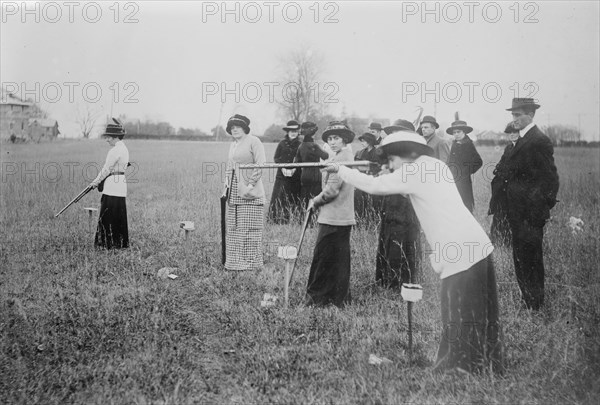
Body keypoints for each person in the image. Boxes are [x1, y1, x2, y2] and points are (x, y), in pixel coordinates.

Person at [325, 121, 503, 374]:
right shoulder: (435, 166)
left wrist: (341, 169)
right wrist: (389, 174)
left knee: (457, 311)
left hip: (457, 249)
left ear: (405, 155)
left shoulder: (413, 173)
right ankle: (486, 364)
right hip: (477, 243)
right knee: (481, 312)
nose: (390, 166)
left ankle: (458, 368)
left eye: (392, 161)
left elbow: (375, 187)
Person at [503, 98, 559, 310]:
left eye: (518, 115)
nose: (514, 119)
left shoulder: (538, 140)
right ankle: (527, 300)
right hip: (517, 212)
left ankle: (535, 304)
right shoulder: (522, 140)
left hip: (530, 214)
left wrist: (539, 211)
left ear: (531, 115)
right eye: (513, 115)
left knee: (531, 260)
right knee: (520, 258)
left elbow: (550, 179)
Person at [305, 121, 356, 307]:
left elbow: (331, 191)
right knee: (338, 260)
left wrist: (314, 202)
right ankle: (338, 298)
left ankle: (317, 299)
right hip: (341, 216)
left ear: (344, 140)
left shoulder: (341, 159)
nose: (333, 142)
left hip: (334, 216)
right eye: (330, 139)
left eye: (337, 138)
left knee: (323, 259)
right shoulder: (343, 156)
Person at [375, 120, 421, 289]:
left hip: (405, 207)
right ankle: (385, 279)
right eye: (392, 133)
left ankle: (400, 282)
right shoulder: (394, 156)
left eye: (397, 132)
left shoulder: (414, 157)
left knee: (402, 243)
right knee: (388, 241)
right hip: (391, 205)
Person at [222, 114, 266, 271]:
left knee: (250, 228)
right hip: (234, 191)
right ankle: (235, 263)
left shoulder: (254, 141)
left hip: (250, 191)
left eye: (237, 126)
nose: (234, 130)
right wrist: (226, 186)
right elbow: (229, 166)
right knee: (234, 227)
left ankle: (251, 264)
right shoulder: (233, 144)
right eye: (232, 127)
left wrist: (249, 184)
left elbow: (260, 165)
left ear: (245, 128)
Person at [89, 118, 130, 249]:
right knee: (118, 215)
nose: (107, 140)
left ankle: (106, 244)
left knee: (107, 215)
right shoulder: (124, 149)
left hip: (112, 186)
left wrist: (95, 182)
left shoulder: (114, 151)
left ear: (115, 137)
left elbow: (106, 169)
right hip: (120, 185)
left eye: (108, 137)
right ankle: (118, 243)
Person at [488, 122, 520, 247]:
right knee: (500, 214)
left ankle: (510, 242)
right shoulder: (509, 148)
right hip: (504, 189)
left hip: (516, 189)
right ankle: (498, 241)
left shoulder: (524, 148)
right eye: (510, 133)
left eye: (515, 132)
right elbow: (501, 165)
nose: (512, 135)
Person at [267, 120, 302, 224]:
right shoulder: (282, 143)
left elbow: (301, 159)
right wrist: (282, 168)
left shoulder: (300, 144)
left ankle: (292, 219)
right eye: (291, 131)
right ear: (287, 131)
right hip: (281, 175)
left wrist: (294, 169)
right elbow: (276, 157)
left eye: (295, 131)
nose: (293, 133)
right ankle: (276, 219)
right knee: (279, 196)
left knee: (293, 197)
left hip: (295, 175)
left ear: (298, 132)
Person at [445, 119, 483, 212]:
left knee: (465, 205)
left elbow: (478, 162)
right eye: (454, 132)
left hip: (463, 182)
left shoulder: (468, 144)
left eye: (458, 132)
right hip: (452, 179)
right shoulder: (455, 143)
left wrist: (464, 172)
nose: (456, 134)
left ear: (464, 132)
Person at [294, 121, 329, 208]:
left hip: (304, 175)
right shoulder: (314, 146)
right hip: (315, 175)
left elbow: (296, 162)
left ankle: (303, 217)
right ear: (313, 134)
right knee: (315, 198)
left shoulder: (301, 146)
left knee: (304, 198)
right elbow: (325, 156)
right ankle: (314, 218)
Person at [354, 132, 380, 221]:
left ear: (369, 142)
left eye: (363, 141)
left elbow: (380, 168)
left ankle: (374, 219)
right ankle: (361, 219)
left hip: (374, 181)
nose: (362, 143)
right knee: (360, 200)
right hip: (361, 181)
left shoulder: (377, 153)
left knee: (374, 202)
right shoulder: (359, 153)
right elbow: (355, 166)